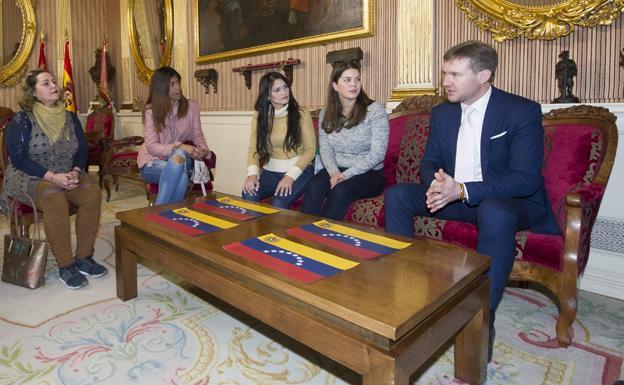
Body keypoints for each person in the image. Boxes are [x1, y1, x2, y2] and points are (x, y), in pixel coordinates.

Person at [384, 40, 560, 361]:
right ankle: (404, 295)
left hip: (507, 202)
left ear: (483, 76)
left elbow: (526, 179)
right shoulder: (442, 113)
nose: (446, 81)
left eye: (454, 74)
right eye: (444, 73)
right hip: (454, 195)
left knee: (493, 210)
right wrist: (437, 182)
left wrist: (462, 190)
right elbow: (430, 159)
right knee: (397, 196)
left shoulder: (520, 111)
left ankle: (483, 316)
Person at [1, 70, 106, 289]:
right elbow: (18, 159)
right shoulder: (22, 119)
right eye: (45, 83)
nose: (53, 85)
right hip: (30, 176)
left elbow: (82, 149)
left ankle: (84, 258)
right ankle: (65, 265)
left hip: (66, 173)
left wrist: (76, 171)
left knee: (92, 192)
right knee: (54, 197)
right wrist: (52, 177)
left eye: (54, 81)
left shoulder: (70, 117)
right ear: (33, 92)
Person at [300, 61, 389, 220]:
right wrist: (334, 172)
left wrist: (346, 175)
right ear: (335, 85)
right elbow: (326, 150)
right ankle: (301, 234)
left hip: (369, 173)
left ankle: (324, 238)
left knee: (340, 191)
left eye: (357, 79)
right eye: (347, 80)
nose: (354, 84)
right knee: (314, 185)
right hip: (336, 169)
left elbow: (377, 155)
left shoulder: (375, 111)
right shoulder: (325, 114)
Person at [137, 66, 211, 205]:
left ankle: (158, 215)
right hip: (151, 162)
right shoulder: (150, 111)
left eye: (178, 83)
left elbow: (197, 135)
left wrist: (203, 149)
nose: (178, 88)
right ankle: (169, 217)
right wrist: (181, 147)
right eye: (172, 84)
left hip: (181, 160)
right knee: (181, 174)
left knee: (180, 157)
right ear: (161, 88)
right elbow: (152, 147)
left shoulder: (192, 107)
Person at [241, 72, 316, 208]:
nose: (284, 92)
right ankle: (255, 230)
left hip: (300, 170)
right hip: (271, 171)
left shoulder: (301, 113)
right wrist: (252, 174)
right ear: (268, 96)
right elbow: (254, 148)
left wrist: (289, 177)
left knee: (278, 203)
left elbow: (310, 150)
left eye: (285, 87)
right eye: (277, 90)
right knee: (248, 193)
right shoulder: (259, 116)